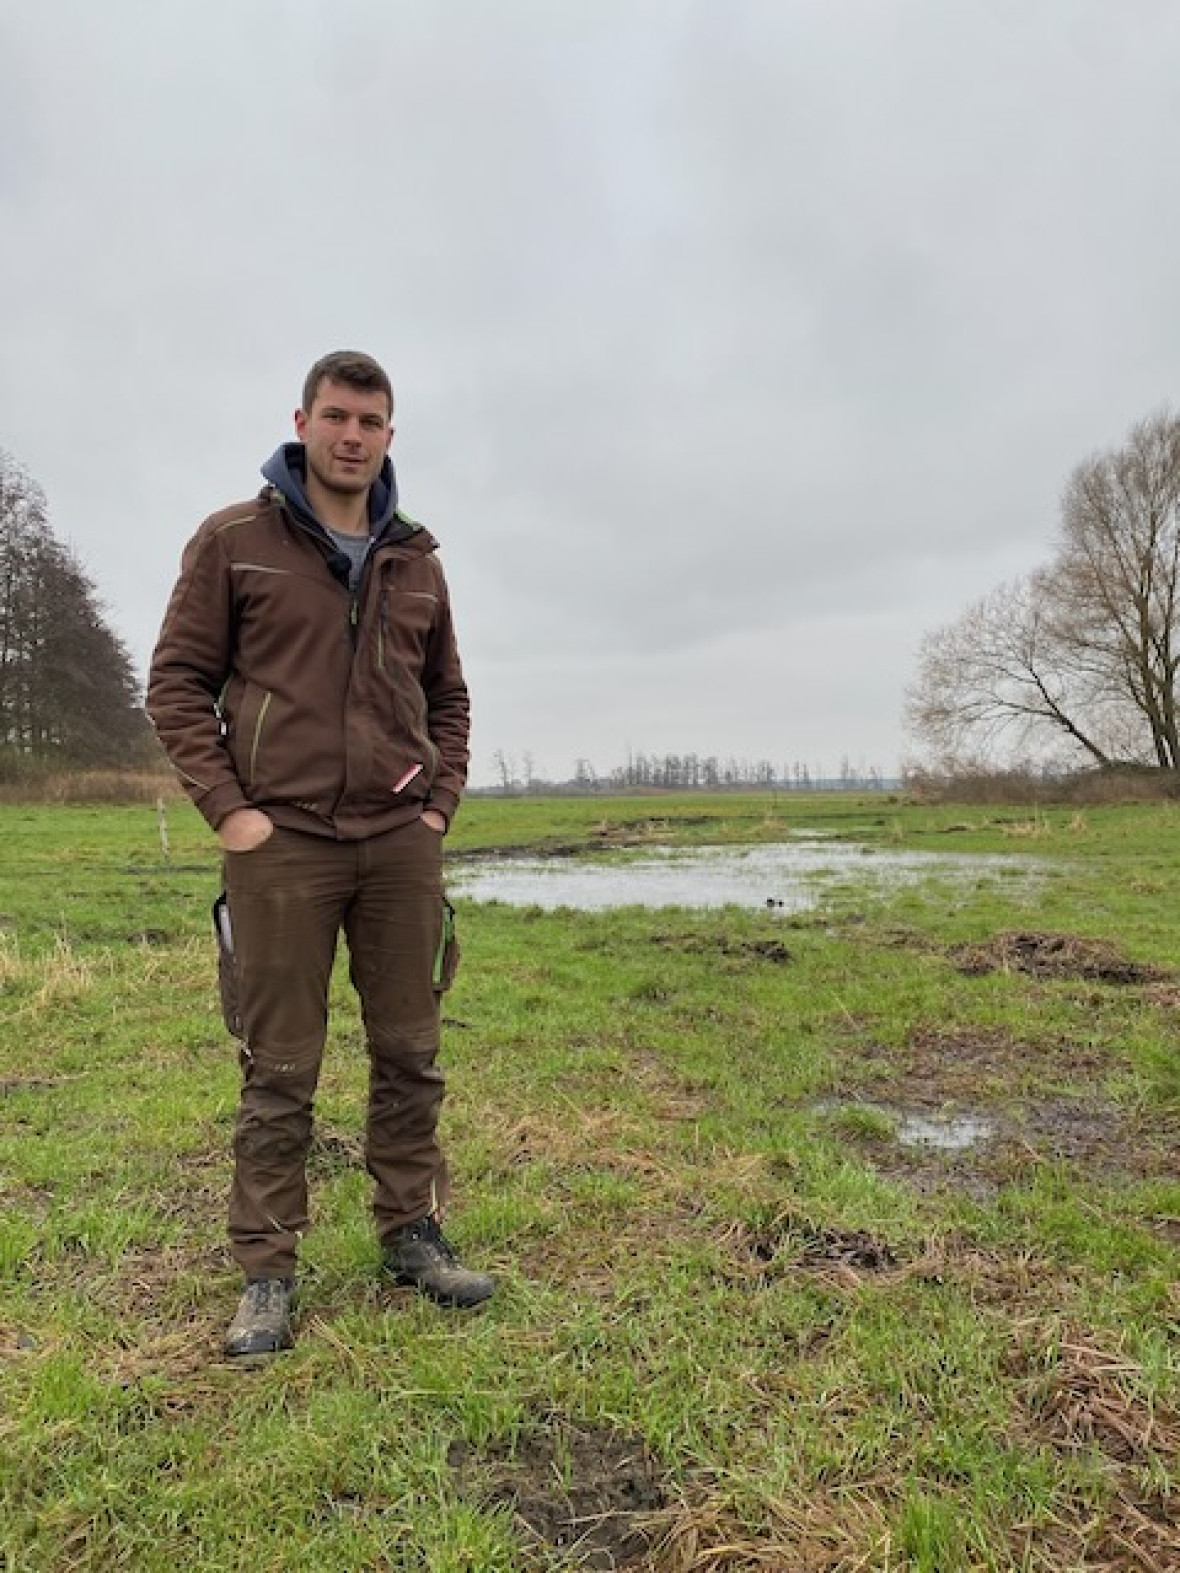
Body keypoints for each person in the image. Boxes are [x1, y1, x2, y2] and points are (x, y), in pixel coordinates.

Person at [147, 350, 492, 1359]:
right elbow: (176, 684)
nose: (352, 435)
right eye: (336, 416)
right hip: (281, 840)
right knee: (280, 1064)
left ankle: (411, 1234)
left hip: (397, 842)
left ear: (390, 435)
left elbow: (450, 700)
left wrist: (436, 808)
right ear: (301, 422)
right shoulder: (235, 541)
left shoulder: (417, 558)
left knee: (410, 1049)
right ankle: (266, 1271)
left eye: (371, 420)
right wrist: (229, 812)